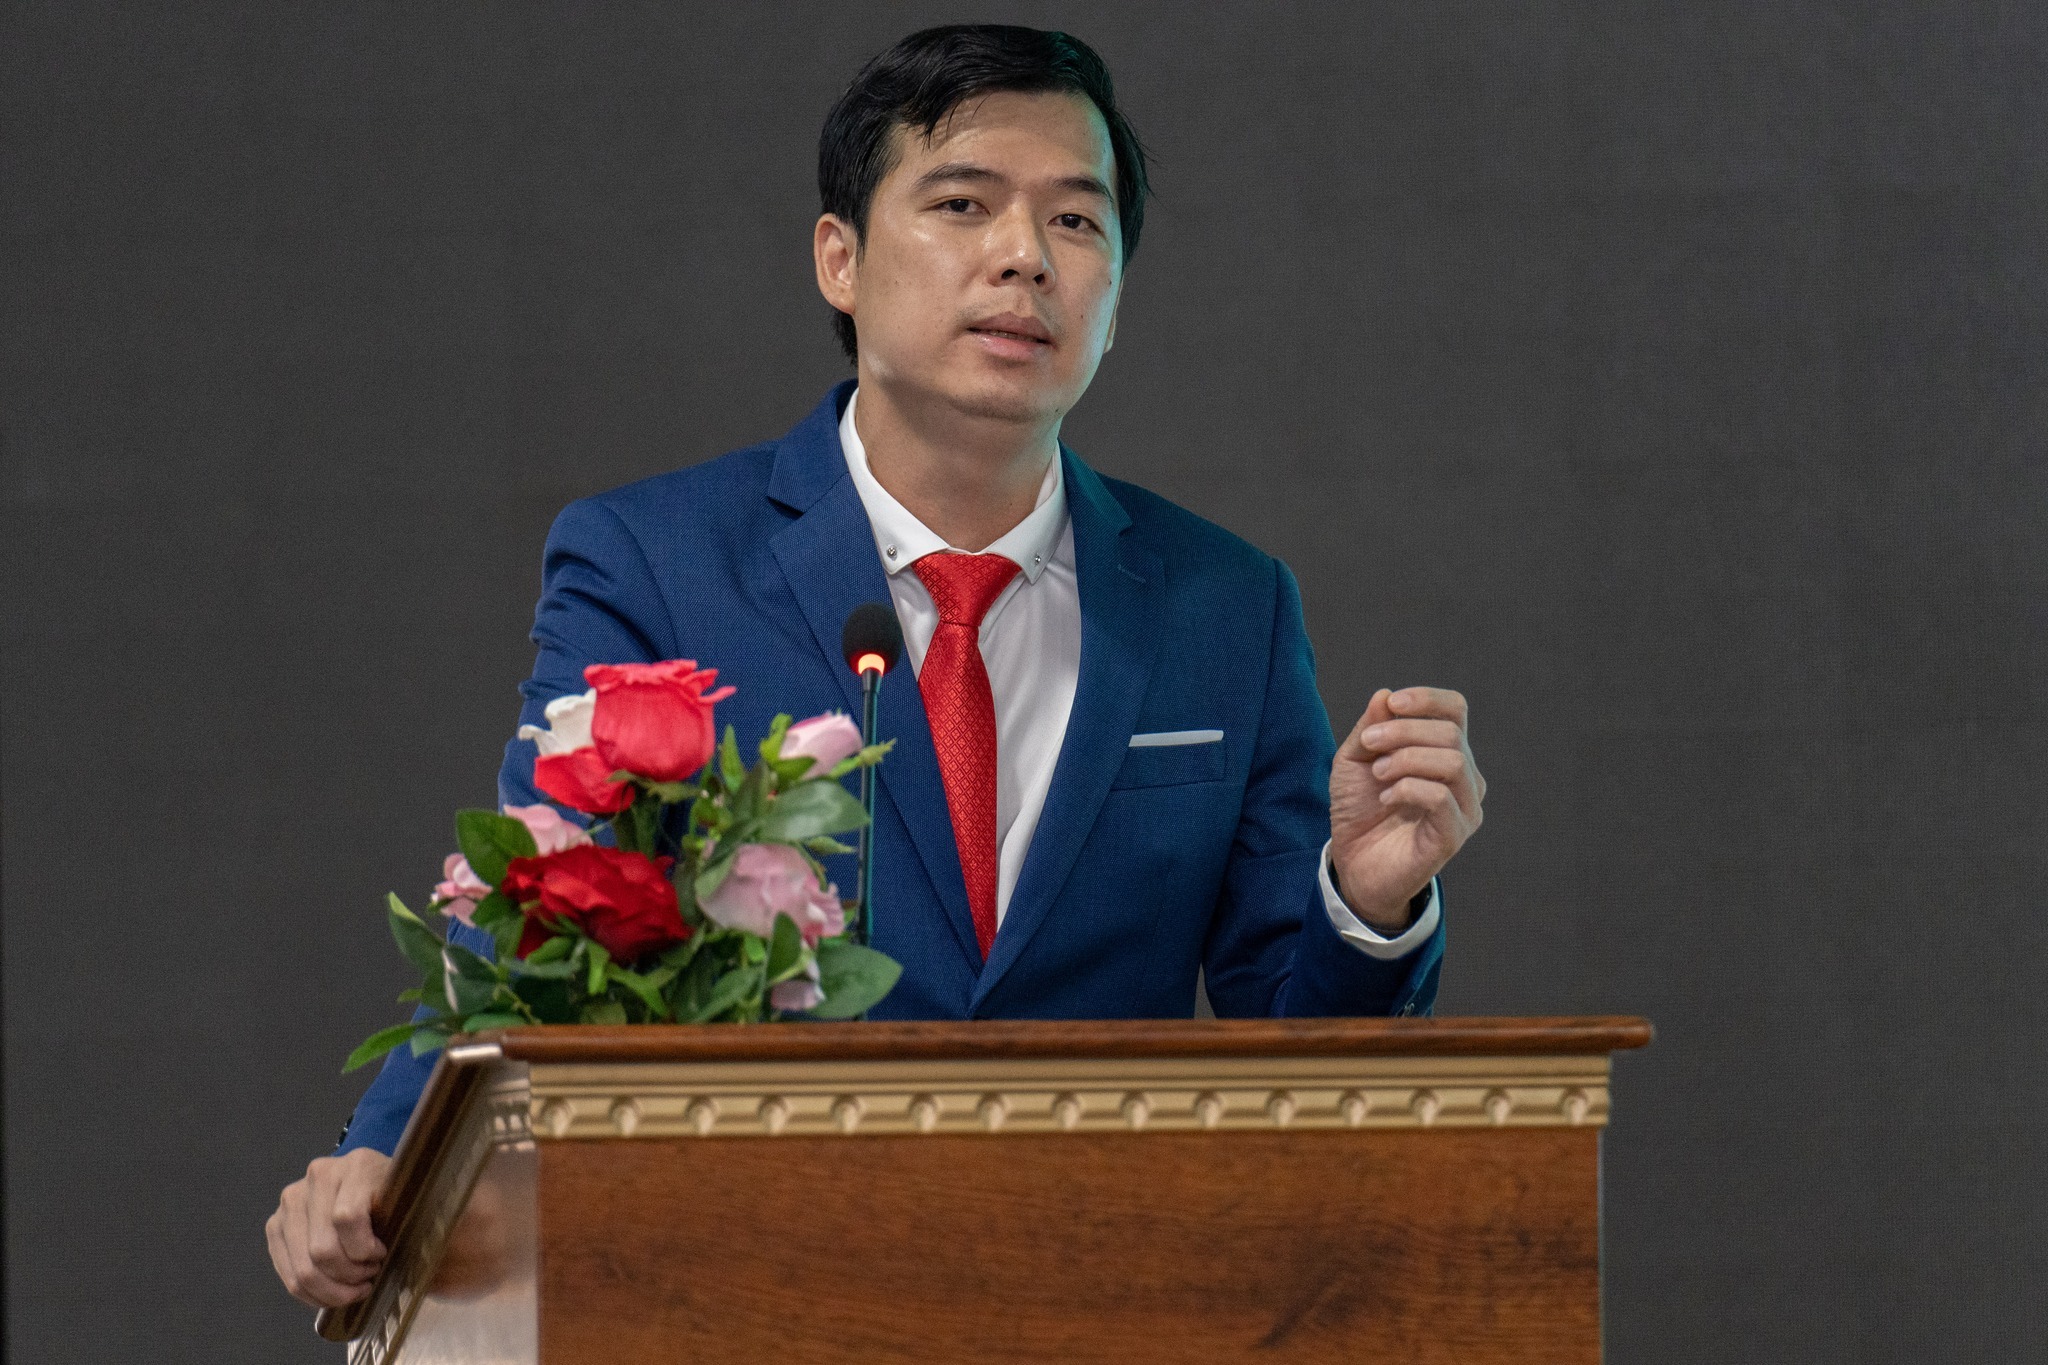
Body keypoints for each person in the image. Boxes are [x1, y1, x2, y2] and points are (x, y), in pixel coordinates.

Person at [267, 23, 1486, 1310]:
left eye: (1075, 223)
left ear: (1116, 293)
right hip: (751, 1286)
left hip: (1109, 1287)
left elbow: (1297, 1060)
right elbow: (542, 902)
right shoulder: (656, 565)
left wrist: (1365, 902)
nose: (1024, 256)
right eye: (962, 205)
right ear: (838, 260)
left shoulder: (1223, 604)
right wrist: (382, 1153)